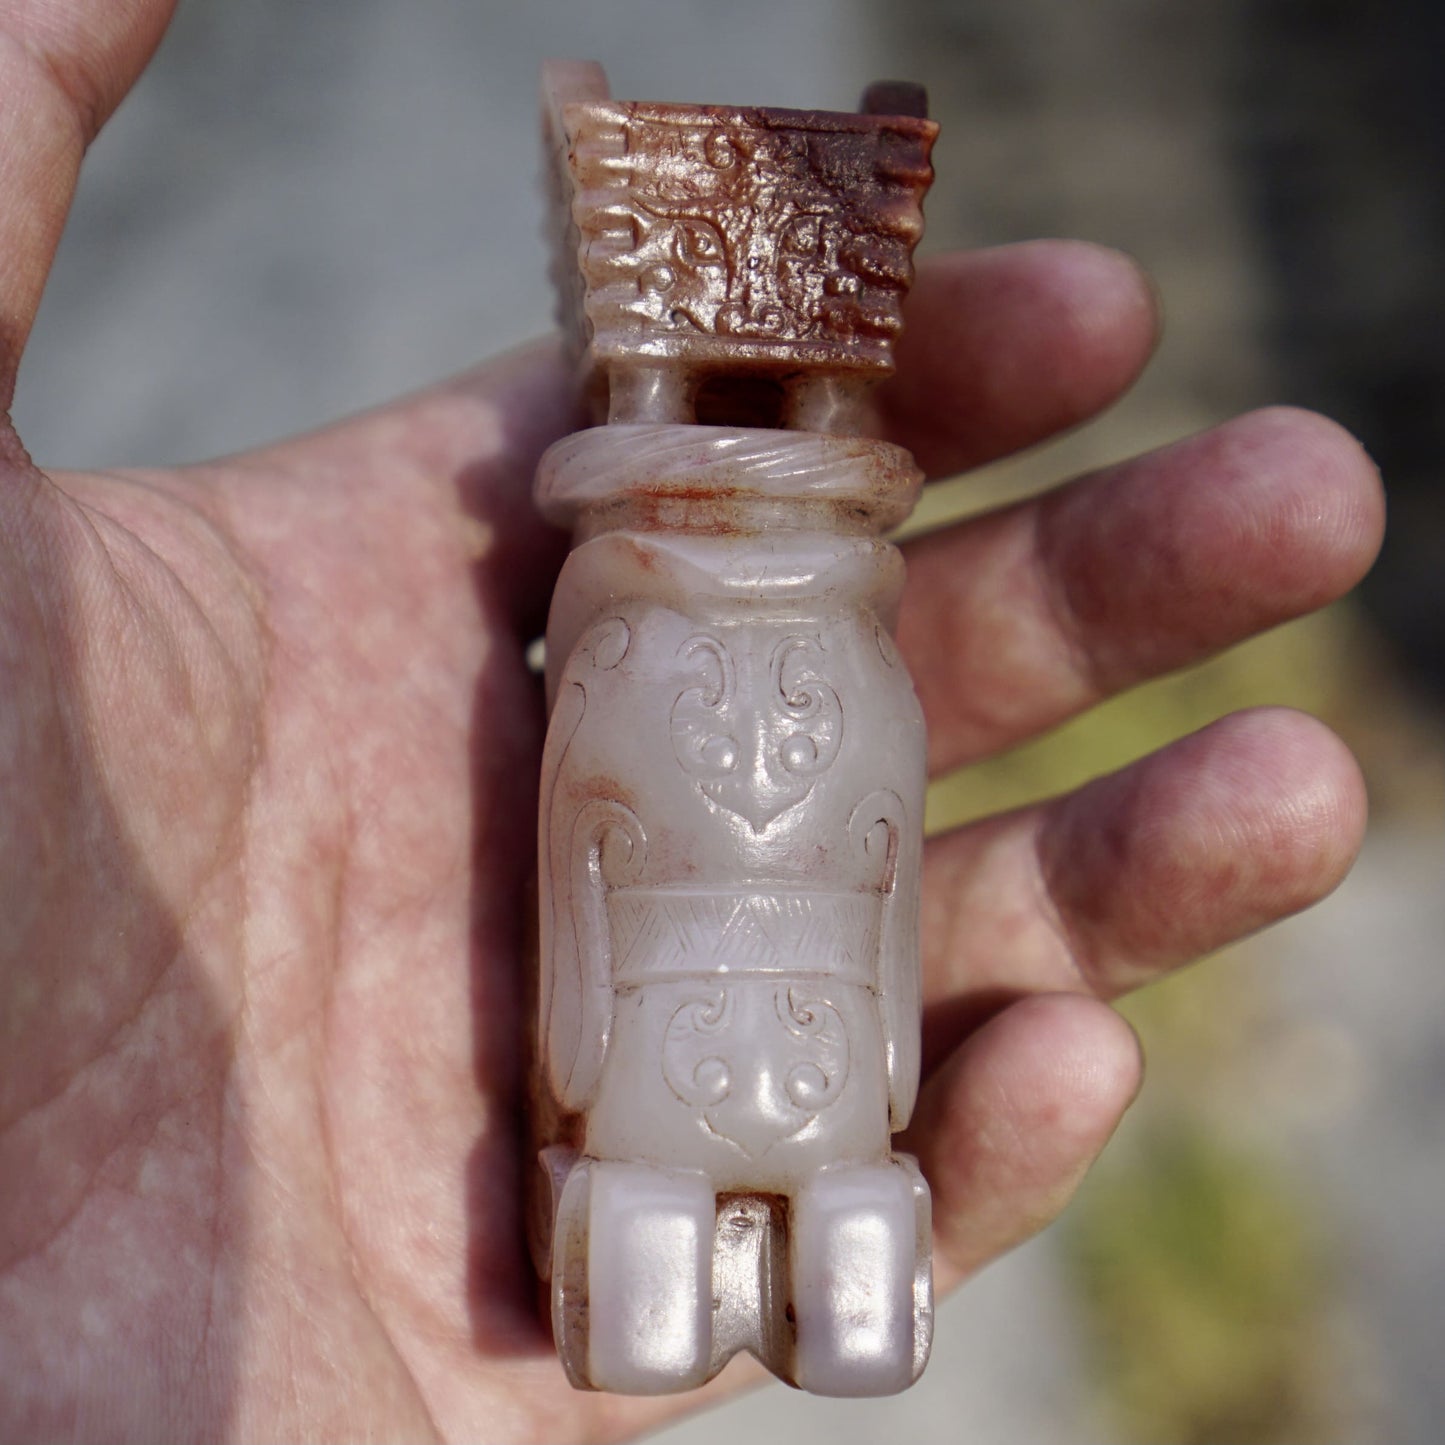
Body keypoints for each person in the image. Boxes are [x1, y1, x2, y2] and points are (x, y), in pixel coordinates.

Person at [0, 3, 1385, 1440]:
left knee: (820, 1207)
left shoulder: (775, 648)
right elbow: (609, 873)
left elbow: (865, 865)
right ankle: (710, 1242)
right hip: (700, 1060)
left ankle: (792, 1239)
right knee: (681, 1221)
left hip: (782, 1049)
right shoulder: (639, 641)